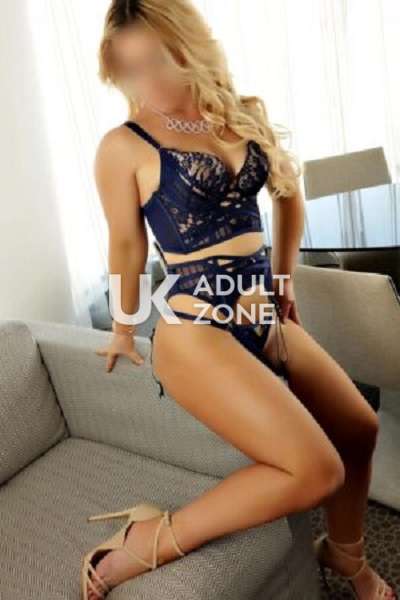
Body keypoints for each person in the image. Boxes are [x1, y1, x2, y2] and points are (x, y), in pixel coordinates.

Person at [81, 1, 396, 598]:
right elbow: (126, 244)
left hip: (260, 315)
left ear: (189, 47)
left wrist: (283, 282)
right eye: (131, 69)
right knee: (318, 469)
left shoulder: (239, 112)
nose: (148, 82)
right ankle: (146, 540)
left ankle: (344, 552)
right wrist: (123, 326)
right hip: (193, 329)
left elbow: (288, 193)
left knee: (359, 428)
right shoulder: (122, 145)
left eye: (157, 61)